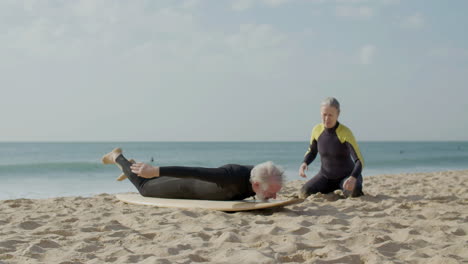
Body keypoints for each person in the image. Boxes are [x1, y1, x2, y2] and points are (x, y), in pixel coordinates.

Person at [102, 148, 284, 201]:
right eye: (272, 193)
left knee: (148, 181)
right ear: (256, 185)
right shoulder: (230, 176)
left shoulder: (263, 176)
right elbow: (193, 171)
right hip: (183, 186)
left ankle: (132, 166)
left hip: (197, 189)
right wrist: (153, 171)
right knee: (144, 188)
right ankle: (117, 156)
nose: (274, 197)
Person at [298, 97, 364, 198]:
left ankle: (349, 186)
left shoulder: (345, 132)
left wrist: (353, 177)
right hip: (325, 177)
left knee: (354, 192)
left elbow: (359, 161)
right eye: (324, 114)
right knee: (304, 192)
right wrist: (304, 163)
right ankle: (331, 188)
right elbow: (312, 151)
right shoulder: (317, 130)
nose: (327, 118)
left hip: (347, 177)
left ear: (338, 114)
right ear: (320, 113)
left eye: (330, 115)